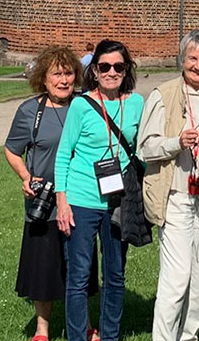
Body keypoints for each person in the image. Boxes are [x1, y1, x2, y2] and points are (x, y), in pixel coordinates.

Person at [138, 31, 199, 341]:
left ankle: (189, 336)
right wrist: (176, 142)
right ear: (182, 60)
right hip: (177, 196)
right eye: (192, 59)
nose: (198, 65)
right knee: (177, 279)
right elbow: (145, 148)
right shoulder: (163, 94)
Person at [53, 39, 145, 341]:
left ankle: (109, 335)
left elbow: (143, 148)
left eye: (118, 66)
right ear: (94, 70)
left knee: (116, 275)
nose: (111, 72)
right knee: (79, 276)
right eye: (104, 66)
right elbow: (64, 154)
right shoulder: (81, 104)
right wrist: (62, 202)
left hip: (119, 201)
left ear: (126, 69)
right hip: (81, 198)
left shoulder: (136, 103)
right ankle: (78, 337)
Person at [4, 46, 85, 341]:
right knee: (44, 268)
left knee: (81, 265)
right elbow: (12, 151)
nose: (63, 80)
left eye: (68, 73)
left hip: (79, 199)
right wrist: (26, 176)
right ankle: (42, 328)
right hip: (44, 202)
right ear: (44, 78)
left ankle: (81, 323)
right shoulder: (30, 111)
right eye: (57, 74)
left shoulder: (84, 105)